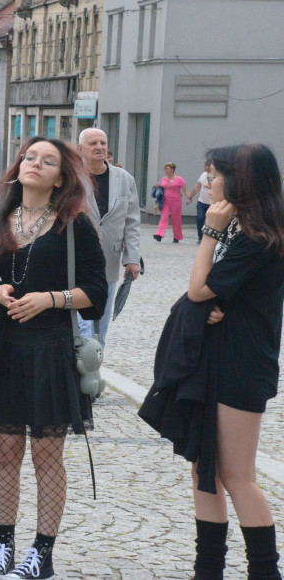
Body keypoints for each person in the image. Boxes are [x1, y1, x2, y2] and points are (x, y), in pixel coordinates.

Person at [0, 137, 107, 579]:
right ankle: (2, 548)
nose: (36, 163)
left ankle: (42, 553)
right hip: (5, 350)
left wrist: (51, 299)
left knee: (46, 455)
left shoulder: (74, 225)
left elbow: (97, 292)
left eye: (48, 160)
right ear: (19, 167)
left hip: (51, 350)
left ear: (61, 177)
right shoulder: (1, 220)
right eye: (30, 157)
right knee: (5, 450)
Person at [183, 144, 284, 579]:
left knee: (237, 474)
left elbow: (198, 290)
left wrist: (209, 231)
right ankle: (208, 570)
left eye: (213, 174)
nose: (207, 181)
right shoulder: (246, 229)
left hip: (243, 363)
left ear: (238, 181)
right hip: (219, 356)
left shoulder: (258, 237)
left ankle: (265, 572)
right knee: (204, 468)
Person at [77, 127, 141, 347]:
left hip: (109, 260)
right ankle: (81, 361)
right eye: (93, 143)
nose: (99, 147)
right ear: (80, 149)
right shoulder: (71, 178)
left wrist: (132, 258)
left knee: (101, 320)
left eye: (102, 143)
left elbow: (132, 222)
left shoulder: (124, 179)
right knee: (81, 320)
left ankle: (94, 362)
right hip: (76, 258)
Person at [154, 162, 187, 243]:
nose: (166, 170)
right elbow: (161, 189)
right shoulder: (163, 179)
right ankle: (159, 234)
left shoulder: (179, 179)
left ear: (172, 170)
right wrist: (157, 186)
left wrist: (189, 197)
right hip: (165, 201)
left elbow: (185, 190)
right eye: (165, 169)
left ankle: (177, 236)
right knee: (164, 217)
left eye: (167, 169)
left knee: (176, 219)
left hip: (176, 201)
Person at [187, 160, 213, 245]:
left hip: (211, 203)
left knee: (209, 222)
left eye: (206, 165)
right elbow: (197, 187)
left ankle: (209, 238)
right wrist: (190, 197)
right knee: (199, 218)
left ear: (210, 166)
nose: (205, 167)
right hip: (201, 202)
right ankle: (200, 237)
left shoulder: (216, 175)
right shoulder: (203, 175)